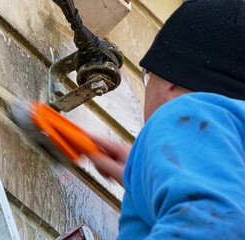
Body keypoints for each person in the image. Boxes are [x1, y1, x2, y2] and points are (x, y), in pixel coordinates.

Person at [88, 0, 245, 239]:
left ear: (170, 82)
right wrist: (146, 178)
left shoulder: (187, 114)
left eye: (149, 76)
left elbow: (211, 224)